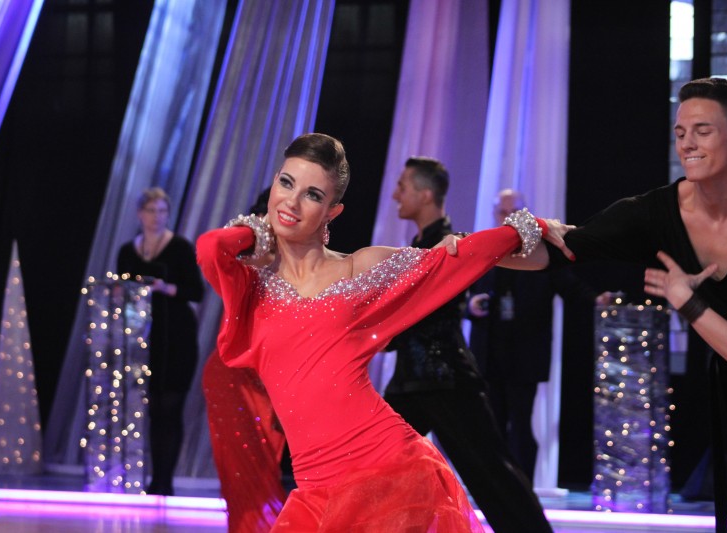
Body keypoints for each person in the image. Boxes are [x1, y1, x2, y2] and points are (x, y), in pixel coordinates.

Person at [446, 78, 727, 533]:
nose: (687, 143)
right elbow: (561, 249)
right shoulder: (654, 212)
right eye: (680, 132)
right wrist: (471, 249)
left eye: (702, 131)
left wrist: (688, 303)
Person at [196, 133, 554, 532]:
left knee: (490, 467)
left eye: (312, 194)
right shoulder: (253, 282)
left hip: (388, 473)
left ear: (332, 211)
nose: (292, 203)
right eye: (286, 183)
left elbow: (458, 260)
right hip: (314, 488)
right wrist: (258, 232)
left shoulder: (357, 269)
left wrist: (528, 228)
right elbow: (211, 248)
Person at [383, 158, 553, 532]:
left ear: (425, 195)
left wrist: (381, 332)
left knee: (493, 474)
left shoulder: (450, 243)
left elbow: (427, 310)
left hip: (447, 379)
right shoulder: (420, 244)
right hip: (414, 380)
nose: (396, 194)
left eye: (403, 186)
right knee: (374, 465)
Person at [467, 188, 602, 482]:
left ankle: (522, 487)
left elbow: (570, 287)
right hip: (489, 353)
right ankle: (496, 486)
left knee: (521, 425)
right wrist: (470, 306)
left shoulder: (539, 252)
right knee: (492, 425)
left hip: (524, 355)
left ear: (525, 217)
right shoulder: (484, 250)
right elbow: (462, 291)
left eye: (513, 213)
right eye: (502, 213)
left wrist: (598, 302)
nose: (507, 219)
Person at [201, 186, 287, 532]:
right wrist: (255, 229)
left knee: (267, 474)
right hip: (233, 380)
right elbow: (211, 245)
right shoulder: (246, 259)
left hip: (273, 384)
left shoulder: (301, 264)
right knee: (243, 481)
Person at [117, 186, 205, 496]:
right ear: (140, 214)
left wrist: (165, 288)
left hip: (176, 337)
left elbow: (197, 291)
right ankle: (152, 479)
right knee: (152, 409)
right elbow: (122, 291)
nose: (157, 217)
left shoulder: (180, 247)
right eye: (152, 211)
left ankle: (164, 482)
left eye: (163, 211)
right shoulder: (128, 251)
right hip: (143, 340)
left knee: (170, 407)